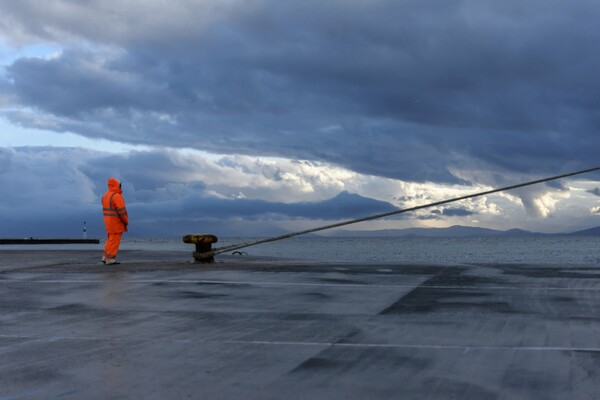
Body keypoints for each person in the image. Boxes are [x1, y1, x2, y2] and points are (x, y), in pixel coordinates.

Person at [101, 178, 128, 264]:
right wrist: (126, 221)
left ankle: (105, 257)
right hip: (116, 222)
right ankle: (110, 259)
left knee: (110, 240)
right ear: (118, 185)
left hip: (108, 221)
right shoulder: (116, 196)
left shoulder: (105, 195)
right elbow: (122, 212)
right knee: (114, 241)